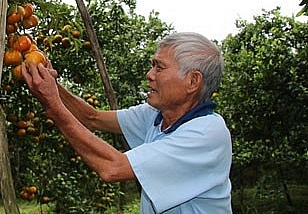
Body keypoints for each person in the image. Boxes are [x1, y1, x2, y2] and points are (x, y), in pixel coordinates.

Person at [21, 32, 232, 213]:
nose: (149, 75)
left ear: (193, 81)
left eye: (159, 68)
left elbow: (112, 168)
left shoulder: (206, 133)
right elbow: (91, 118)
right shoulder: (154, 115)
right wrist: (52, 85)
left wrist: (52, 105)